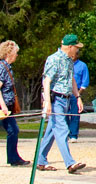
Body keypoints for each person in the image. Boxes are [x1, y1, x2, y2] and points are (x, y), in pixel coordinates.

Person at [36, 35, 86, 173]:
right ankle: (70, 163)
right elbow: (47, 81)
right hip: (56, 99)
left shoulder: (70, 61)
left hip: (67, 99)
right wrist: (47, 102)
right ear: (70, 47)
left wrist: (78, 97)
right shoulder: (54, 59)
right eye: (76, 47)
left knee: (52, 131)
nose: (77, 51)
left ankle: (40, 160)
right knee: (62, 130)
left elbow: (72, 80)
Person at [0, 40, 28, 166]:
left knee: (13, 130)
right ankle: (13, 158)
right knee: (13, 130)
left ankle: (13, 157)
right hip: (3, 106)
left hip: (8, 105)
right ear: (9, 53)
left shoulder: (8, 67)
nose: (17, 55)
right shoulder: (2, 68)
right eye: (16, 53)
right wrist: (4, 106)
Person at [67, 48, 89, 141]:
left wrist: (78, 94)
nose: (72, 56)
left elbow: (85, 82)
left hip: (76, 94)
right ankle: (66, 133)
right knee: (64, 114)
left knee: (75, 115)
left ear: (77, 55)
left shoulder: (82, 66)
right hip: (65, 93)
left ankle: (73, 135)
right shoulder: (66, 64)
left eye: (74, 54)